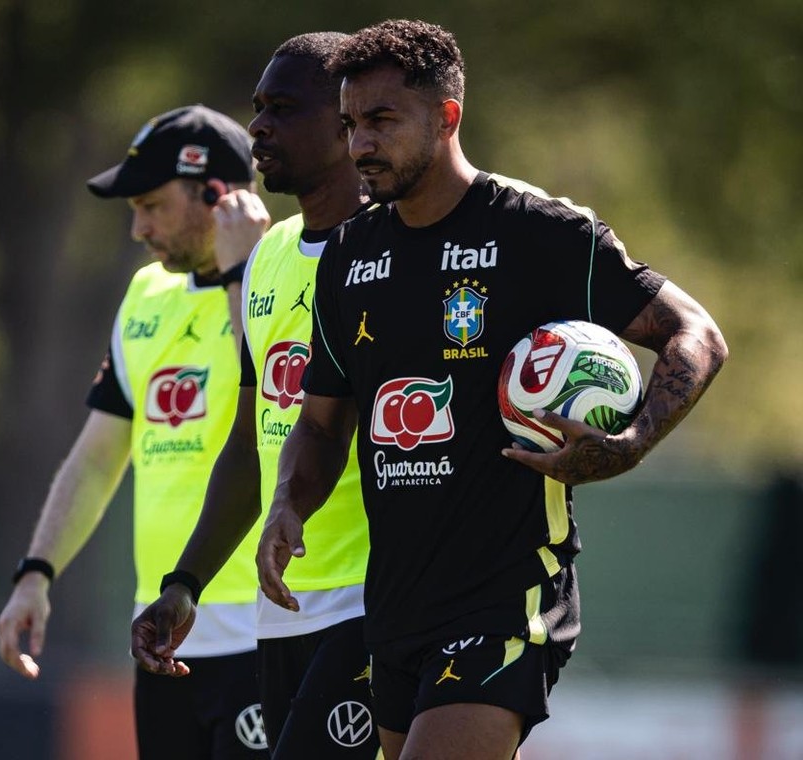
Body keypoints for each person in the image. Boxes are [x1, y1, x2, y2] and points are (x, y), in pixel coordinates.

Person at [255, 19, 728, 760]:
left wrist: (630, 443)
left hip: (507, 594)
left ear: (447, 117)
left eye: (382, 121)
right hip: (396, 606)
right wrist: (290, 503)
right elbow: (320, 422)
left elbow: (695, 335)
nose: (360, 146)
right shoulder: (350, 255)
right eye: (350, 124)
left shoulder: (539, 232)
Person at [0, 104, 272, 759]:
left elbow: (268, 386)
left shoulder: (289, 271)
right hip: (164, 636)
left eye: (151, 205)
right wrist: (36, 573)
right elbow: (96, 458)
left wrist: (243, 271)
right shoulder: (146, 294)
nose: (138, 228)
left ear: (218, 195)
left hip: (272, 635)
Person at [130, 34, 380, 759]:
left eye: (282, 109)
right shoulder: (271, 254)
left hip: (370, 607)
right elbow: (251, 444)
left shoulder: (389, 250)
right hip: (283, 618)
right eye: (256, 109)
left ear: (345, 125)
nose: (258, 128)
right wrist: (186, 584)